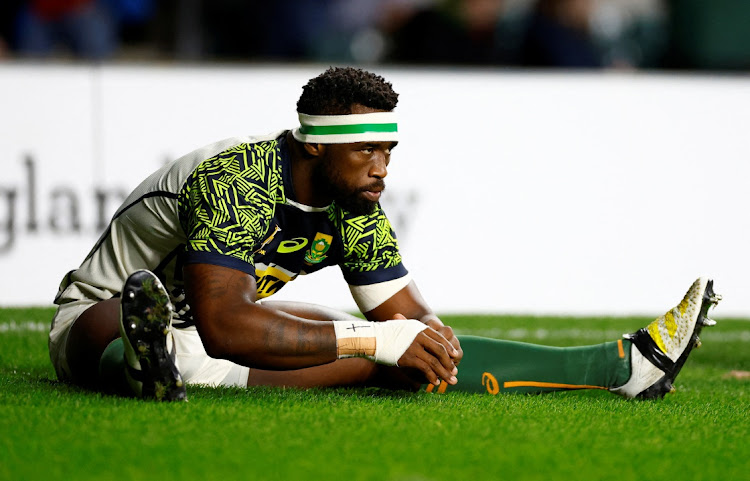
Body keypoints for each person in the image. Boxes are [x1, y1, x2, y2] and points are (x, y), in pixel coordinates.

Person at [49, 66, 721, 402]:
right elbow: (226, 323)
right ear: (315, 149)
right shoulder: (238, 177)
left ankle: (621, 364)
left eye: (388, 149)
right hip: (101, 322)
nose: (382, 168)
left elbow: (411, 322)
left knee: (378, 342)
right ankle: (141, 362)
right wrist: (382, 339)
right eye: (366, 150)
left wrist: (424, 344)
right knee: (124, 320)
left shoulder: (356, 204)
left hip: (210, 340)